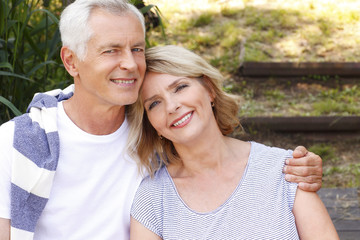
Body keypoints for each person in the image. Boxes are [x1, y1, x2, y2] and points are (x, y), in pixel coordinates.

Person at [0, 0, 322, 239]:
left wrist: (297, 167)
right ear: (71, 61)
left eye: (137, 48)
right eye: (111, 50)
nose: (129, 64)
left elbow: (216, 160)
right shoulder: (19, 143)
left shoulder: (151, 136)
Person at [129, 45, 339, 240]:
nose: (172, 106)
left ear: (209, 90)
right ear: (150, 123)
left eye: (180, 87)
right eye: (154, 103)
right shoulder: (153, 198)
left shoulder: (285, 170)